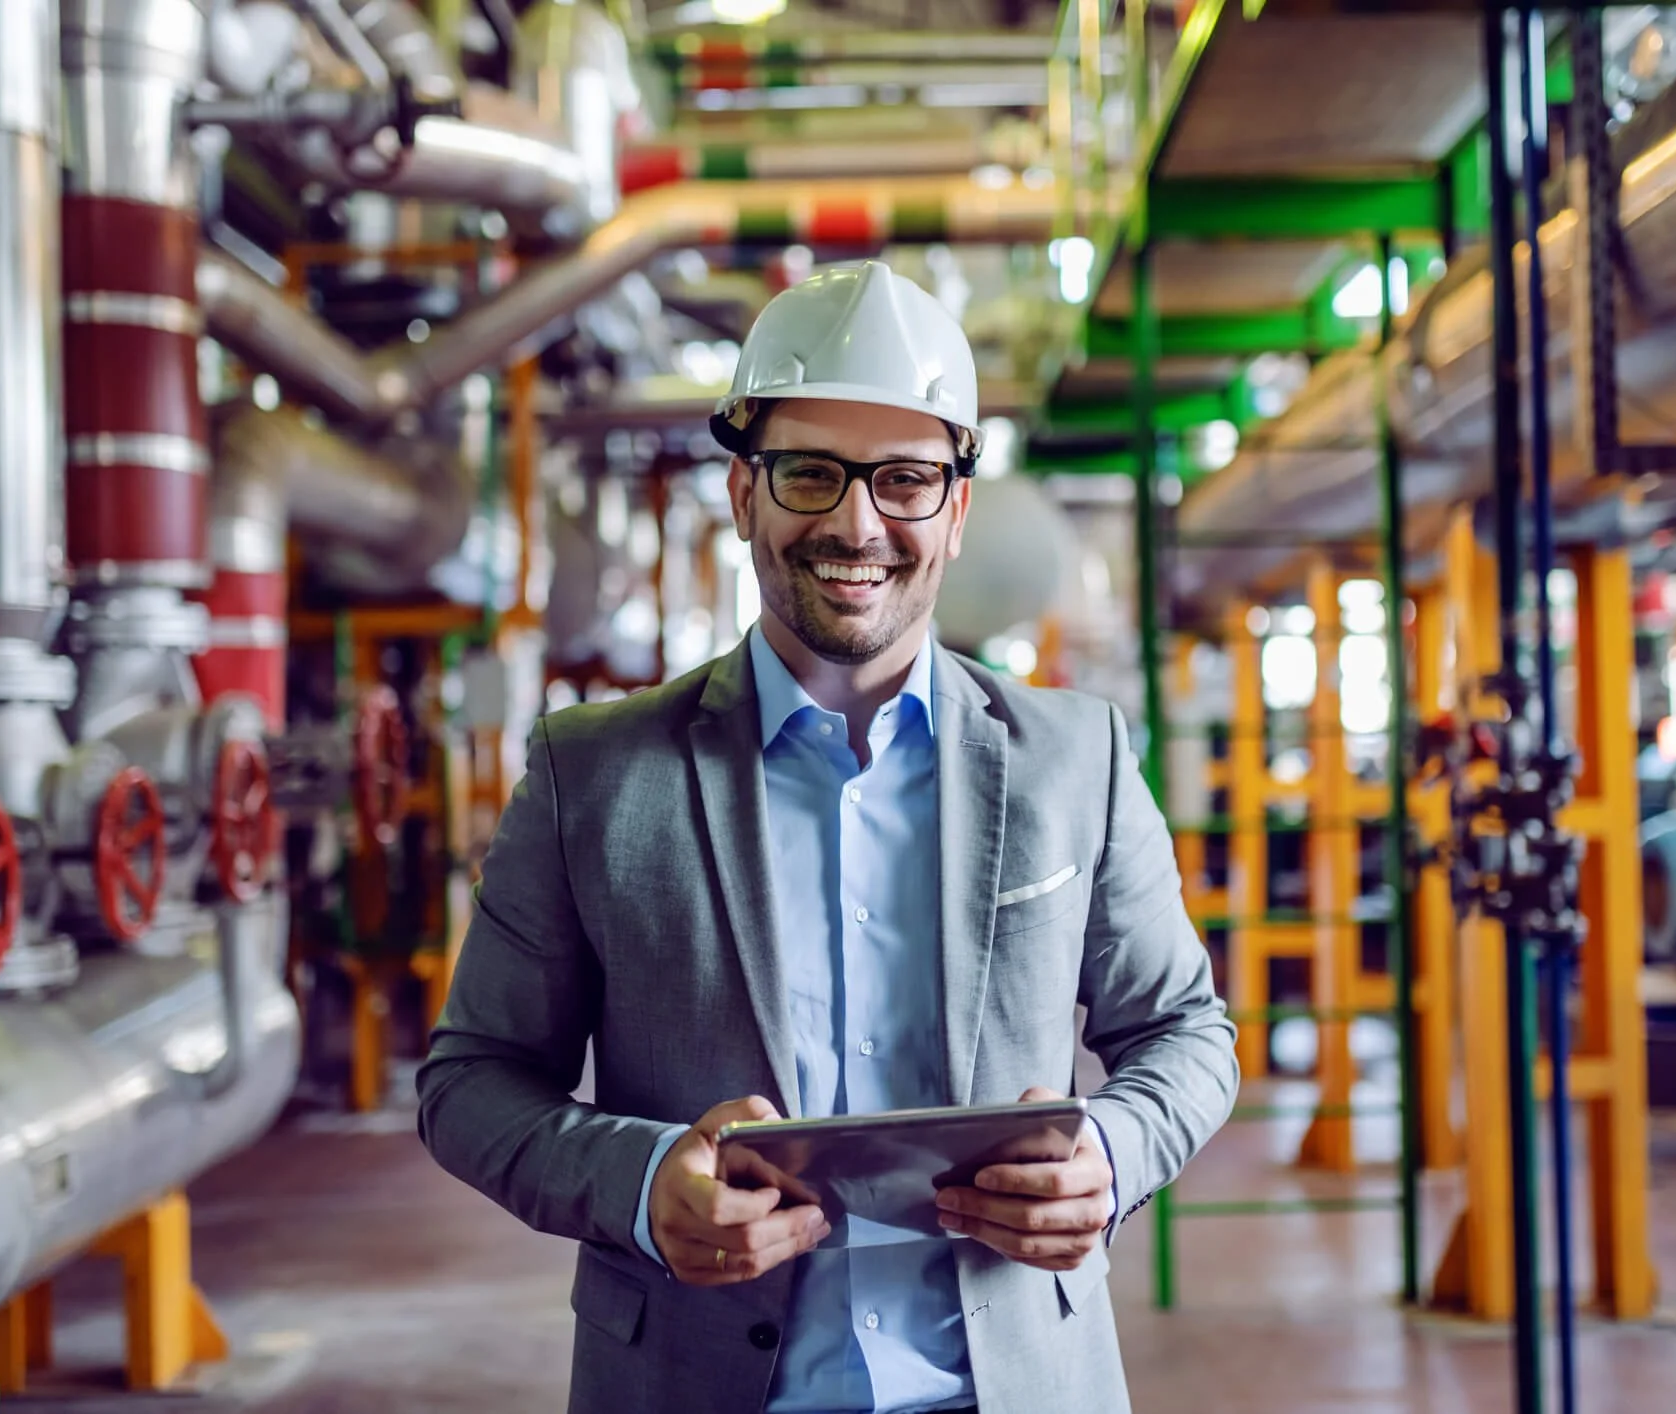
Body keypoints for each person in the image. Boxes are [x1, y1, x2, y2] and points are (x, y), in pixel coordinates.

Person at [417, 260, 1238, 1414]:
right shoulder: (593, 773)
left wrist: (1113, 1151)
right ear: (745, 493)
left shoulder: (1073, 759)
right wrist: (645, 1182)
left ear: (955, 509)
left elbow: (1186, 1034)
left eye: (904, 480)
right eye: (811, 473)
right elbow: (472, 1084)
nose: (858, 524)